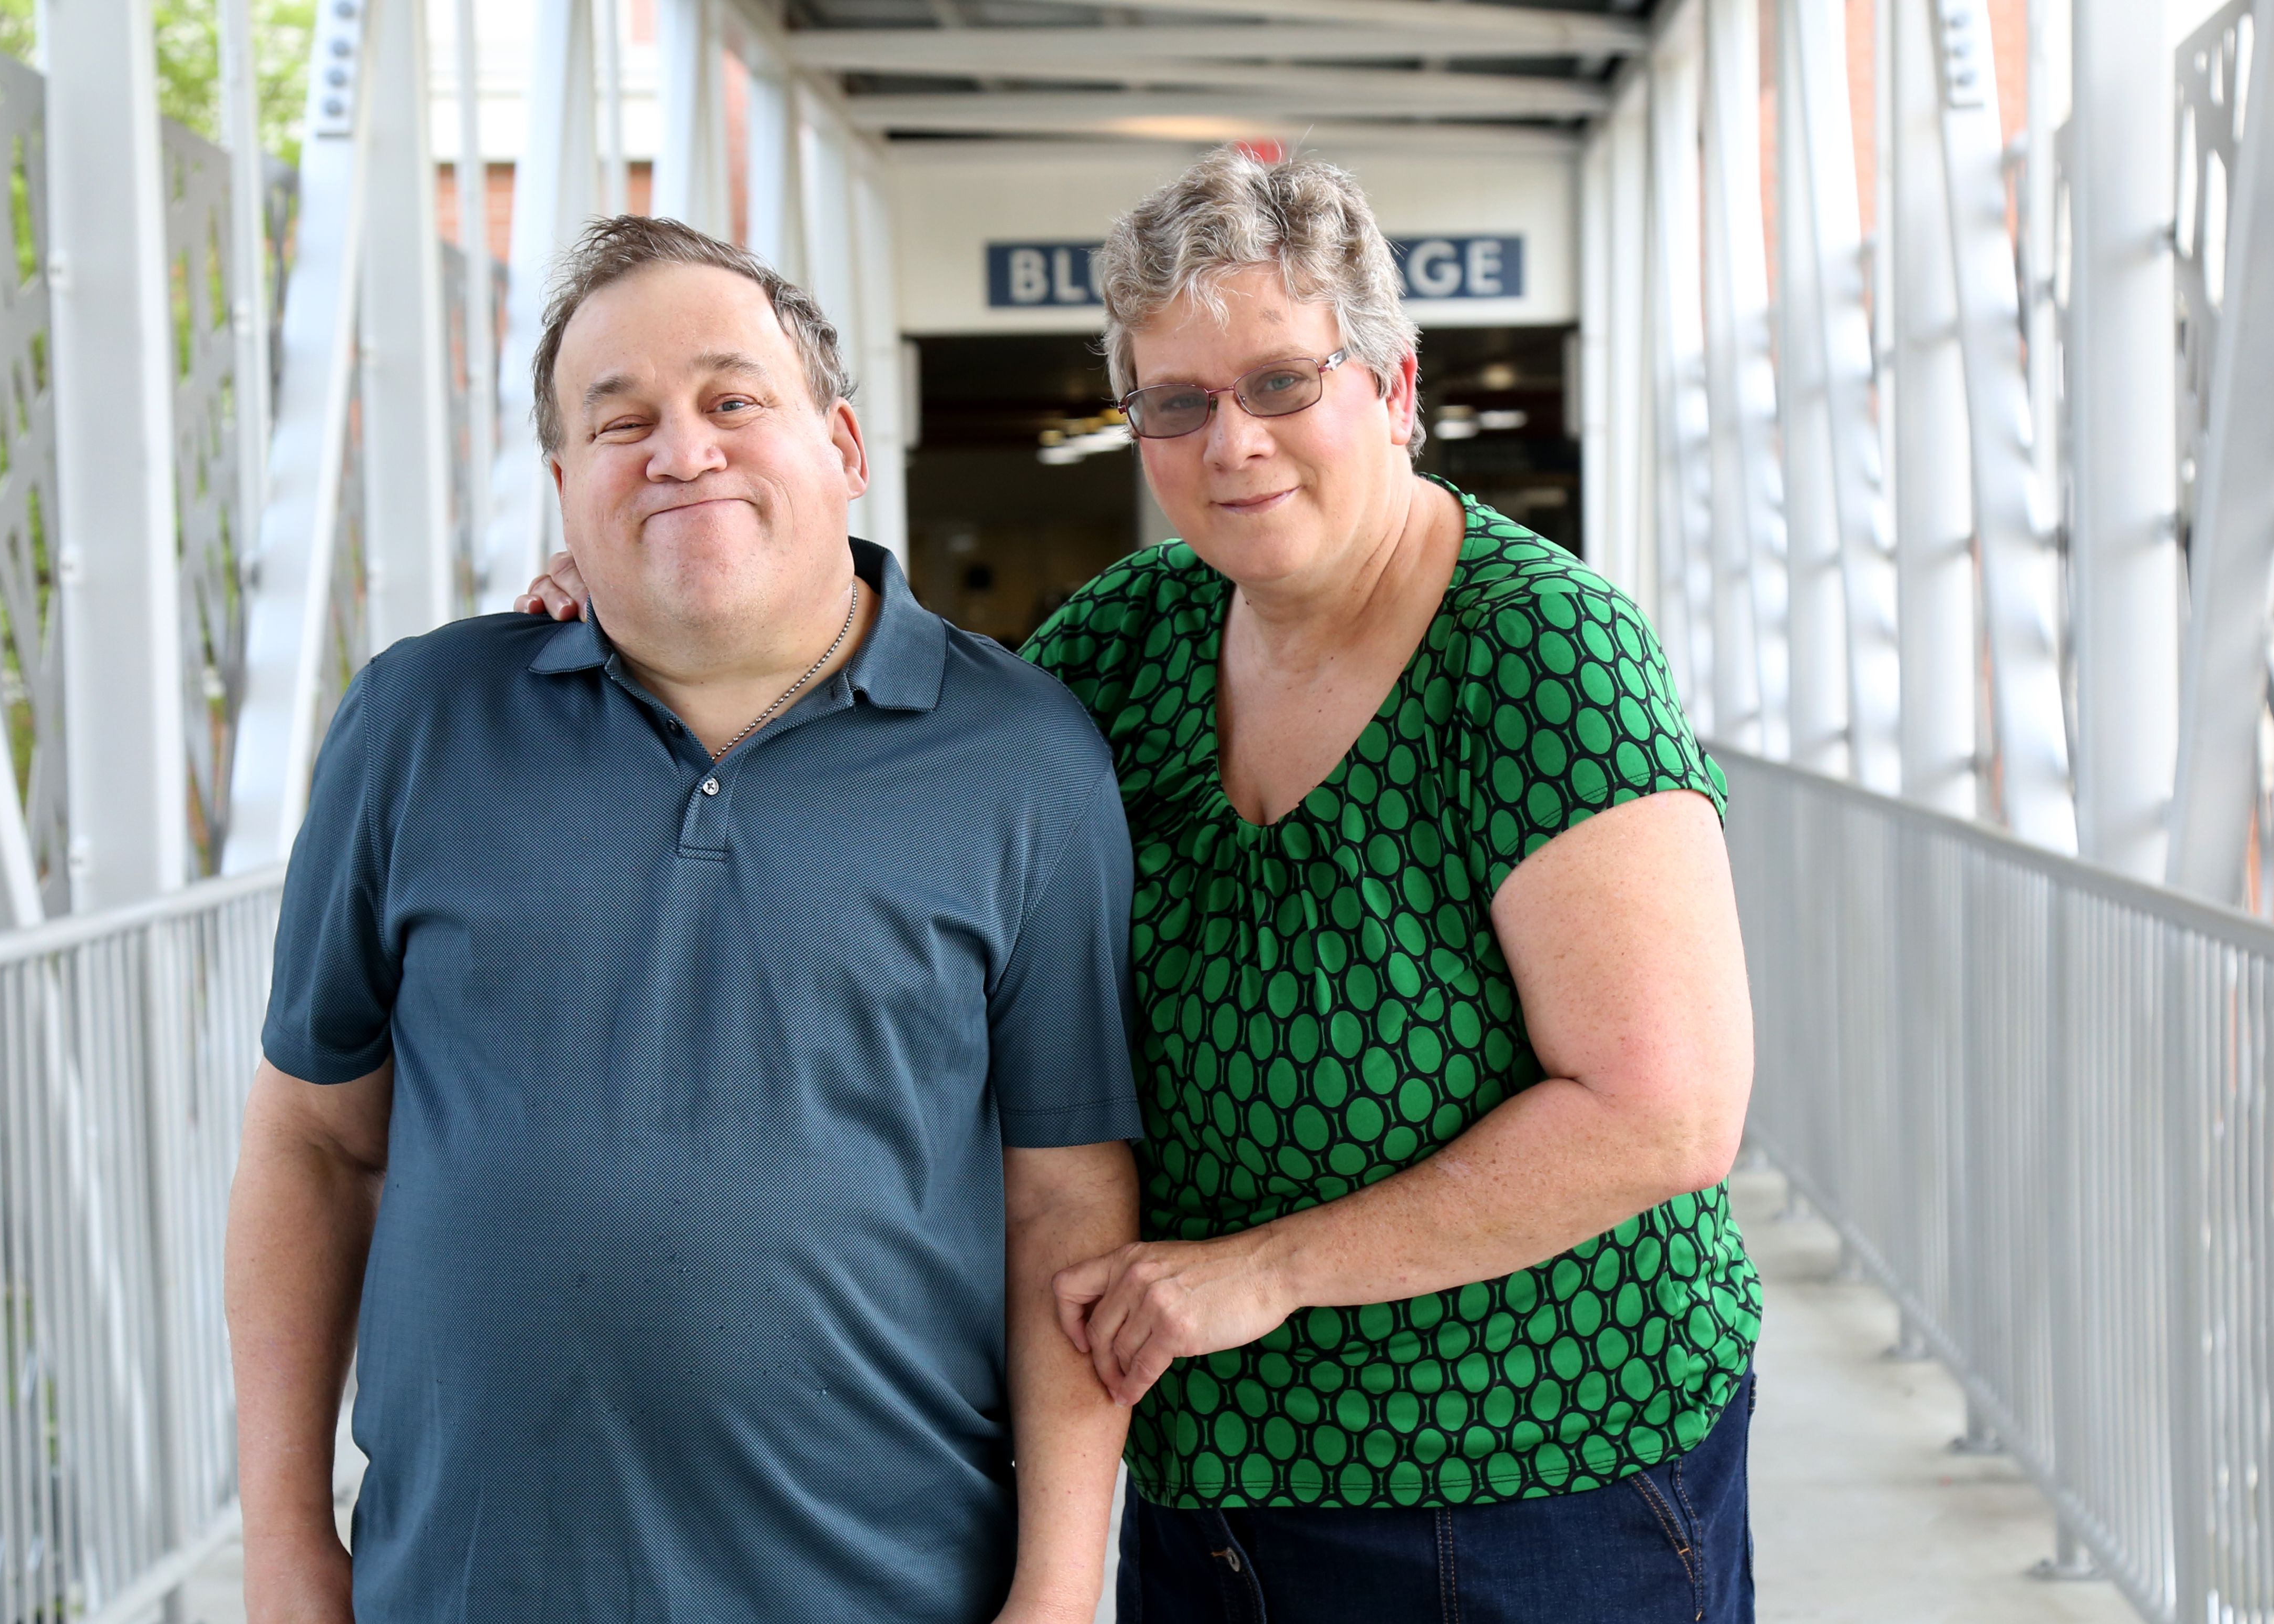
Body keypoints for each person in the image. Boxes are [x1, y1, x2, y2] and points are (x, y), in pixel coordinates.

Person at [520, 153, 1761, 1622]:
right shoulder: (1128, 641)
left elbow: (1665, 1111)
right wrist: (667, 582)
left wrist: (1271, 1270)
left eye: (1283, 383)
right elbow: (877, 731)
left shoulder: (1542, 649)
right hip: (1210, 1495)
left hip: (1536, 1492)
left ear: (1393, 385)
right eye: (1177, 401)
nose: (1232, 441)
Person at [227, 216, 1141, 1624]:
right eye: (620, 419)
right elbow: (313, 1143)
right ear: (563, 485)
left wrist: (1061, 1586)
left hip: (887, 1589)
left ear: (840, 444)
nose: (681, 449)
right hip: (469, 1587)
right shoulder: (418, 723)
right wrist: (286, 1540)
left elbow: (1064, 1197)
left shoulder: (1024, 759)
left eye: (732, 399)